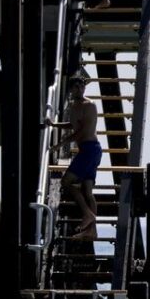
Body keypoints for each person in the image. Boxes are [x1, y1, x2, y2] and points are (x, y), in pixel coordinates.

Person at [50, 73, 102, 240]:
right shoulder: (73, 106)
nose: (79, 89)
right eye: (76, 87)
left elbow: (83, 131)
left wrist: (60, 144)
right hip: (86, 150)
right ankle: (91, 230)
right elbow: (72, 125)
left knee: (66, 182)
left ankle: (87, 214)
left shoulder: (89, 105)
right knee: (87, 190)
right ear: (71, 89)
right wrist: (54, 125)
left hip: (90, 149)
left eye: (82, 86)